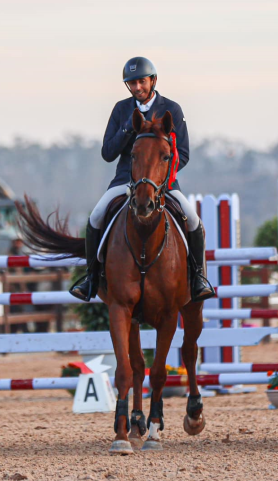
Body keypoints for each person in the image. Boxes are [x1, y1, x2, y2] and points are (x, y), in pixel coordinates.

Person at [69, 57, 214, 303]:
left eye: (141, 82)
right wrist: (128, 127)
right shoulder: (121, 109)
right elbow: (108, 153)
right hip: (126, 180)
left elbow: (183, 153)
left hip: (162, 183)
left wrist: (161, 179)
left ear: (153, 80)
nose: (137, 87)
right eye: (132, 83)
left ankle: (198, 278)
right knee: (96, 217)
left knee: (193, 220)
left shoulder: (172, 109)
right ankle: (91, 278)